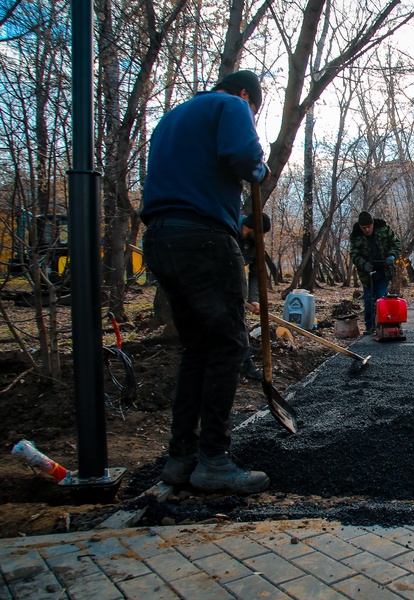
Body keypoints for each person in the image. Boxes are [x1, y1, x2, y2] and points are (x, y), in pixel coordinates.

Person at [140, 70, 270, 494]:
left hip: (160, 239)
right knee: (229, 344)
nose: (250, 114)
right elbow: (243, 157)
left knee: (196, 348)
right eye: (255, 110)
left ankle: (182, 458)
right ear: (247, 95)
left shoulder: (172, 118)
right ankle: (214, 459)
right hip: (203, 237)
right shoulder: (230, 105)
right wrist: (260, 165)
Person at [349, 210, 402, 335]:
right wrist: (363, 263)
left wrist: (392, 256)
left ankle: (383, 324)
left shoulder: (384, 228)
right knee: (368, 299)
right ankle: (369, 326)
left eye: (369, 227)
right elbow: (354, 254)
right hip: (367, 273)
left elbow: (396, 244)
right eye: (364, 228)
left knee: (380, 297)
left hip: (384, 270)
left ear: (373, 224)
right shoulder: (355, 235)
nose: (367, 230)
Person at [238, 212, 271, 381]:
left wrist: (254, 298)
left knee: (239, 326)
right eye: (261, 234)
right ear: (249, 228)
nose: (262, 238)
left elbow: (256, 273)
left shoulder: (255, 243)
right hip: (214, 288)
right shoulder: (227, 233)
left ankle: (246, 366)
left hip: (236, 291)